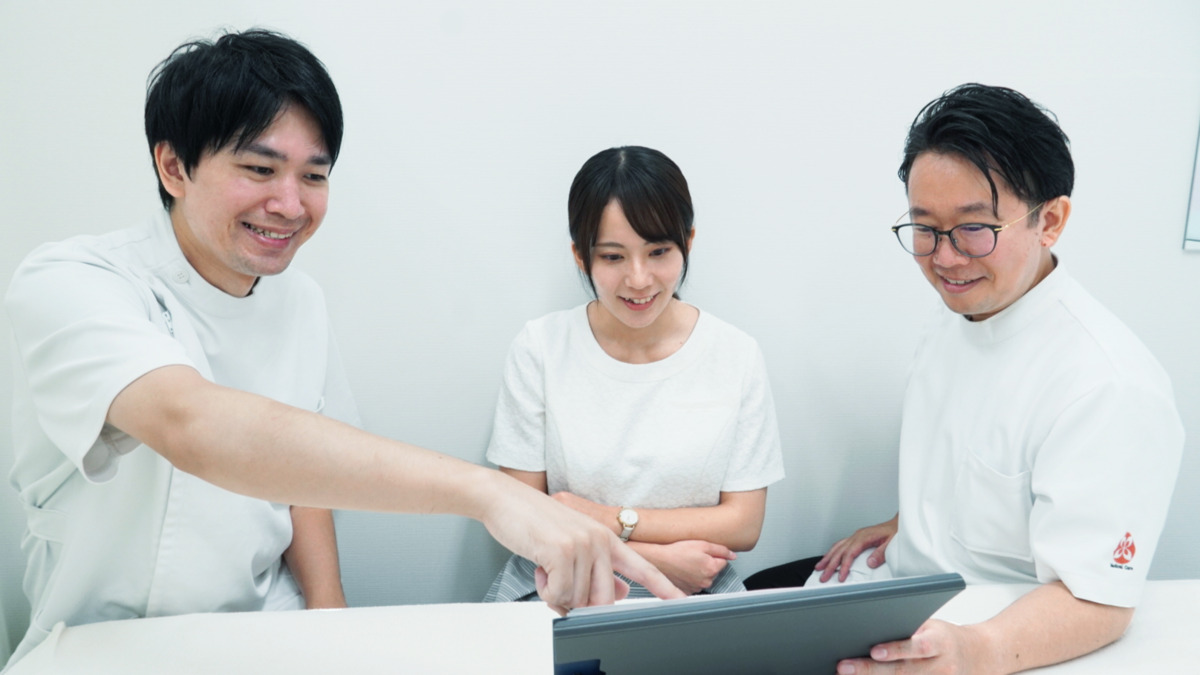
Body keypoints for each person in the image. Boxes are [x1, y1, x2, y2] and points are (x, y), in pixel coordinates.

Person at [2, 30, 680, 668]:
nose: (289, 204)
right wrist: (489, 493)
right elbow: (195, 425)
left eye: (314, 176)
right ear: (174, 165)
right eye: (259, 168)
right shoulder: (73, 283)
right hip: (102, 644)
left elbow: (305, 475)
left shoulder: (300, 302)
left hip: (263, 628)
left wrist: (332, 625)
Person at [747, 84, 1184, 674]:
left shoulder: (1109, 386)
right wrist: (906, 524)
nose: (945, 259)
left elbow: (1097, 599)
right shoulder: (962, 312)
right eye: (924, 228)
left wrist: (976, 652)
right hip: (901, 592)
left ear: (1049, 220)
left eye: (974, 228)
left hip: (993, 636)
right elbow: (975, 465)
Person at [483, 146, 786, 602]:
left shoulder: (734, 354)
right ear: (580, 257)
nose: (639, 279)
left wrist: (604, 519)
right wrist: (654, 561)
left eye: (659, 251)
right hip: (559, 582)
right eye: (613, 257)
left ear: (689, 241)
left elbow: (743, 523)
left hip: (695, 587)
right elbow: (520, 517)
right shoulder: (541, 348)